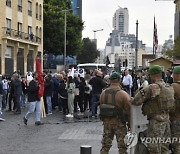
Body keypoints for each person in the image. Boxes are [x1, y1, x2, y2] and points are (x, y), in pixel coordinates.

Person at [131, 65, 175, 154]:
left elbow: (137, 100)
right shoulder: (168, 86)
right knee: (164, 149)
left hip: (156, 122)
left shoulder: (152, 87)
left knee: (154, 148)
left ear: (153, 75)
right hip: (166, 121)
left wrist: (130, 99)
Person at [100, 72, 131, 154]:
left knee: (105, 146)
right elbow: (129, 111)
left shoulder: (103, 93)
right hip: (119, 124)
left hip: (107, 123)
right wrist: (130, 124)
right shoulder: (123, 94)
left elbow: (101, 106)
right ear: (120, 80)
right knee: (122, 147)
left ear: (110, 81)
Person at [170, 66, 180, 153]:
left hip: (176, 119)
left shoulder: (174, 86)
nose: (172, 76)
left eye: (174, 74)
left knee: (176, 144)